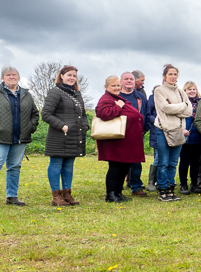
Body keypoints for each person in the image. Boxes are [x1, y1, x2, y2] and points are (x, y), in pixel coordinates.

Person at [41, 65, 90, 206]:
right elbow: (45, 114)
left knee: (69, 165)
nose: (72, 78)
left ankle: (67, 194)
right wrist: (61, 125)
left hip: (74, 136)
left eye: (74, 76)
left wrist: (85, 126)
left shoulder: (76, 93)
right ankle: (56, 196)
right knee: (56, 164)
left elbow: (83, 114)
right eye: (69, 75)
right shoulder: (55, 92)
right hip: (59, 136)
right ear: (61, 76)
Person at [94, 75, 145, 203]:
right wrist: (118, 106)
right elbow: (103, 113)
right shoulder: (106, 98)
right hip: (115, 141)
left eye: (118, 85)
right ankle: (110, 194)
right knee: (115, 167)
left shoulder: (117, 98)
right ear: (106, 87)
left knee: (124, 166)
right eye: (113, 86)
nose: (116, 88)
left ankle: (118, 192)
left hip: (124, 140)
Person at [152, 64, 193, 202]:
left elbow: (189, 111)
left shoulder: (181, 92)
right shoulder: (159, 91)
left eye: (175, 74)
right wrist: (182, 106)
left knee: (173, 162)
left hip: (178, 130)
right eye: (170, 74)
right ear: (164, 76)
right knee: (163, 162)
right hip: (163, 129)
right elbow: (165, 108)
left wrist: (179, 108)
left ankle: (170, 188)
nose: (173, 77)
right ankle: (162, 189)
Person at [0, 65, 39, 205]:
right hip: (1, 138)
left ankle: (12, 196)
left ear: (18, 77)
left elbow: (35, 113)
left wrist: (31, 127)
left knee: (15, 167)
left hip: (20, 138)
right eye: (8, 75)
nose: (11, 77)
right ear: (2, 78)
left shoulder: (26, 94)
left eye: (14, 75)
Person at [119, 71, 149, 197]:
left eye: (131, 79)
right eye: (126, 79)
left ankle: (136, 186)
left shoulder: (140, 97)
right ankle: (116, 186)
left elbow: (146, 114)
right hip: (120, 133)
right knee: (119, 161)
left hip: (137, 133)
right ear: (121, 82)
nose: (129, 81)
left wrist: (144, 129)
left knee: (136, 161)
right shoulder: (116, 96)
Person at [177, 82, 201, 195]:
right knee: (184, 162)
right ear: (185, 91)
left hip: (197, 136)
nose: (192, 91)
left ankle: (194, 183)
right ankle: (183, 184)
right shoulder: (181, 103)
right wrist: (181, 129)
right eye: (189, 89)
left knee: (195, 162)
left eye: (194, 89)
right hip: (185, 136)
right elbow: (177, 118)